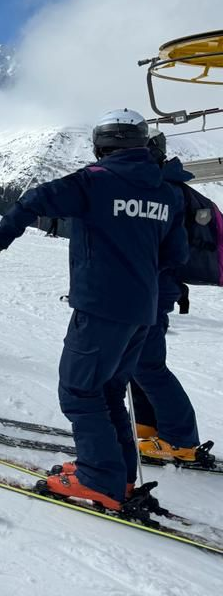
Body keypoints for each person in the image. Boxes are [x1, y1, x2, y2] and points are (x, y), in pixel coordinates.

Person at [0, 108, 188, 511]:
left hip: (101, 307)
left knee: (78, 391)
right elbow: (177, 253)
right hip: (143, 311)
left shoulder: (94, 181)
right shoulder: (165, 191)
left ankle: (98, 478)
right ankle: (117, 474)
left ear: (102, 145)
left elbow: (35, 200)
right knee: (107, 391)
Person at [129, 129, 208, 463]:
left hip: (155, 287)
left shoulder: (165, 191)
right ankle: (148, 426)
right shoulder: (158, 186)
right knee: (134, 361)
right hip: (145, 287)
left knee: (147, 364)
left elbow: (164, 248)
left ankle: (181, 440)